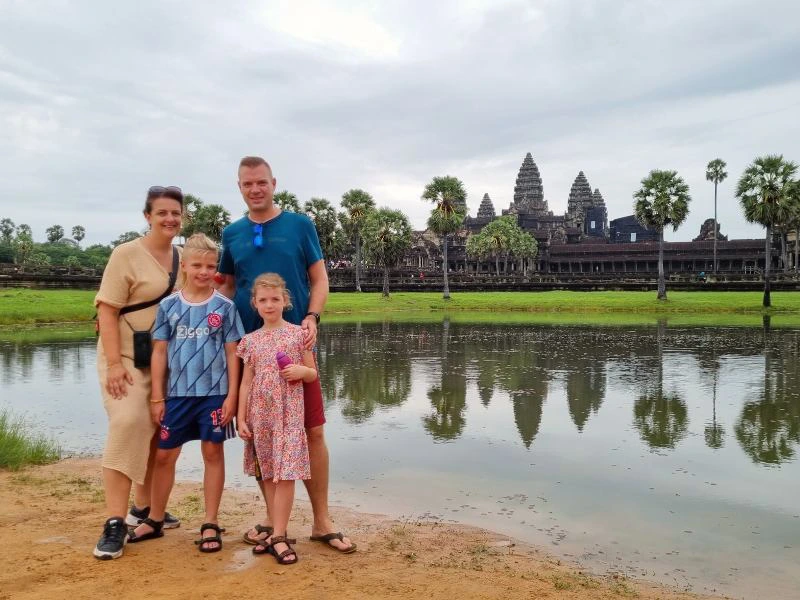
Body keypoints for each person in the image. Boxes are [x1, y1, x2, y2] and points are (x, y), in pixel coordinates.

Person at [218, 155, 355, 553]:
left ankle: (321, 519)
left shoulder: (299, 225)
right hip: (254, 350)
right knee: (262, 436)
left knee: (311, 430)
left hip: (297, 346)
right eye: (247, 184)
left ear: (273, 183)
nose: (255, 189)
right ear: (240, 188)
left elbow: (319, 278)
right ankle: (274, 520)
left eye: (261, 182)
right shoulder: (233, 233)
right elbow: (227, 288)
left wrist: (312, 317)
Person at [128, 233, 244, 552]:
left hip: (215, 395)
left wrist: (232, 397)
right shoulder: (169, 306)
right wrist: (157, 396)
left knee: (212, 453)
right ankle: (154, 518)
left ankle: (210, 522)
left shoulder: (225, 307)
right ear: (186, 267)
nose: (203, 271)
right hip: (177, 395)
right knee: (165, 455)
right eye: (197, 265)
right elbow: (160, 352)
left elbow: (234, 353)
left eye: (210, 266)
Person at [93, 186, 184, 560]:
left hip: (165, 361)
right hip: (127, 358)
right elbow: (107, 310)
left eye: (175, 213)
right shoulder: (126, 254)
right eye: (161, 212)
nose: (169, 219)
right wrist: (114, 364)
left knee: (156, 430)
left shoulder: (182, 257)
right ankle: (115, 522)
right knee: (128, 423)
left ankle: (143, 508)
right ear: (147, 216)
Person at [237, 273, 317, 563]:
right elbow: (246, 382)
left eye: (275, 299)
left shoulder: (299, 335)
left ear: (285, 301)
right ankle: (275, 531)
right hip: (260, 418)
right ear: (255, 304)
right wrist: (240, 417)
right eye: (263, 300)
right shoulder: (249, 341)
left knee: (286, 474)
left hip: (289, 417)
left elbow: (313, 374)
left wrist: (300, 372)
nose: (269, 305)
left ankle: (280, 535)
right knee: (268, 472)